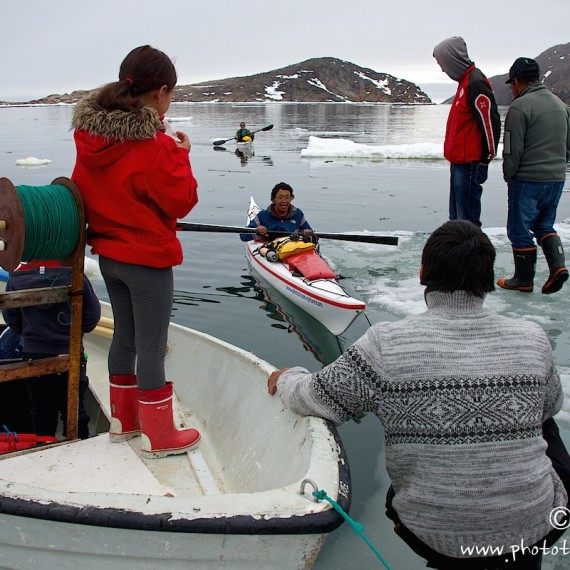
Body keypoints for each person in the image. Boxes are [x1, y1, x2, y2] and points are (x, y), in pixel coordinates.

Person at [268, 220, 569, 570]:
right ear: (488, 277)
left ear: (423, 272)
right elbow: (551, 406)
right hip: (533, 528)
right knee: (543, 422)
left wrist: (290, 377)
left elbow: (311, 397)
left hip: (435, 534)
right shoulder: (532, 338)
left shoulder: (385, 345)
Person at [71, 45, 200, 458]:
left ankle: (124, 423)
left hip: (109, 258)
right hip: (148, 262)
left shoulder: (91, 138)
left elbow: (82, 190)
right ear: (161, 92)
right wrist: (181, 156)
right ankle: (159, 436)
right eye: (171, 94)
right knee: (151, 344)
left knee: (124, 339)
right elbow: (181, 201)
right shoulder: (156, 146)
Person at [2, 261, 101, 440]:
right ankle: (80, 449)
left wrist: (30, 336)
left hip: (33, 354)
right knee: (75, 408)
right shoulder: (76, 276)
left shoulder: (16, 278)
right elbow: (91, 318)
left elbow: (12, 318)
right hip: (69, 351)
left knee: (40, 410)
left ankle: (44, 447)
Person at [497, 57, 570, 295]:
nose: (511, 89)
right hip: (556, 177)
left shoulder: (520, 107)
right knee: (544, 224)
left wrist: (510, 175)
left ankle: (523, 279)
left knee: (518, 229)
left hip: (528, 179)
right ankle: (558, 267)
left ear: (517, 82)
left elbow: (511, 148)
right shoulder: (560, 105)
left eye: (511, 84)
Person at [433, 37, 501, 227]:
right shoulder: (464, 83)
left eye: (442, 63)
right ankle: (457, 255)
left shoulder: (475, 83)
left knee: (467, 222)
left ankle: (472, 255)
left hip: (470, 164)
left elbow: (490, 123)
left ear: (452, 59)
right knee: (456, 220)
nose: (442, 69)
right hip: (459, 163)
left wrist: (485, 159)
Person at [240, 182, 314, 244]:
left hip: (292, 249)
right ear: (273, 200)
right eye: (280, 197)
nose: (284, 201)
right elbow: (243, 236)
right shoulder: (262, 216)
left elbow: (313, 237)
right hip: (269, 249)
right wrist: (257, 232)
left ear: (291, 199)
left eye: (287, 197)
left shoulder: (298, 214)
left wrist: (308, 234)